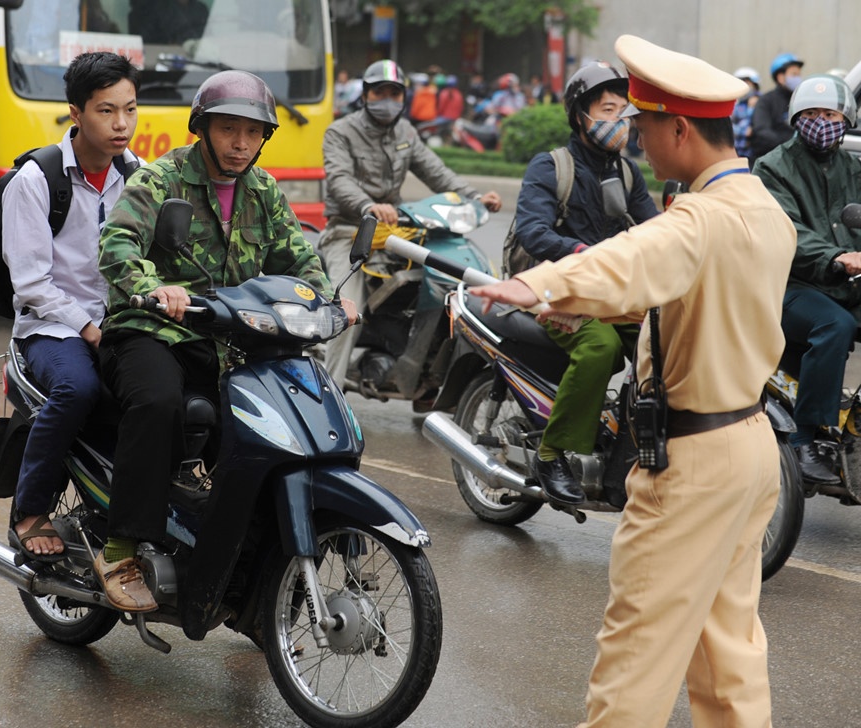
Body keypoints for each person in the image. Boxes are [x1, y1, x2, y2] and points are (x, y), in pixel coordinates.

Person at [469, 34, 795, 727]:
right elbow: (674, 289)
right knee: (727, 653)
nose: (638, 139)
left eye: (645, 124)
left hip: (693, 462)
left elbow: (632, 257)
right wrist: (571, 294)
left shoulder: (698, 219)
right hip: (750, 446)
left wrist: (534, 285)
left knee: (634, 664)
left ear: (680, 128)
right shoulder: (764, 208)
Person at [96, 70, 356, 612]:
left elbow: (299, 258)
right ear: (204, 129)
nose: (240, 143)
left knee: (278, 422)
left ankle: (250, 575)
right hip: (152, 329)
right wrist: (153, 287)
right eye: (229, 130)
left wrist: (329, 301)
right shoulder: (162, 177)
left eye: (252, 132)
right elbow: (117, 241)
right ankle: (119, 547)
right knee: (159, 401)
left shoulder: (262, 190)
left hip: (229, 336)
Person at [2, 52, 141, 561]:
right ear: (76, 113)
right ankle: (30, 509)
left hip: (120, 322)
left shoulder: (139, 176)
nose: (121, 123)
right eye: (106, 111)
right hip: (51, 327)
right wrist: (87, 326)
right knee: (78, 387)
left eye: (129, 108)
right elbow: (32, 283)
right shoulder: (35, 182)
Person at [511, 61, 658, 507]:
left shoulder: (628, 172)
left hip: (613, 291)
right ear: (581, 115)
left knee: (667, 339)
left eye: (623, 112)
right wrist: (580, 253)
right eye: (608, 109)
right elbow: (531, 231)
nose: (619, 121)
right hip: (557, 289)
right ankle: (551, 453)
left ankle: (632, 444)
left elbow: (655, 229)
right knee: (602, 347)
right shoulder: (550, 166)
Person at [318, 59, 501, 391]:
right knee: (346, 310)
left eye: (394, 93)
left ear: (404, 98)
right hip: (349, 232)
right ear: (365, 95)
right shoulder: (340, 132)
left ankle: (427, 375)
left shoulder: (406, 132)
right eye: (379, 92)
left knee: (444, 277)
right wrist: (367, 206)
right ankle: (327, 396)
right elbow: (340, 180)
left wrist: (475, 197)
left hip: (398, 231)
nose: (387, 99)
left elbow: (436, 172)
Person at [754, 74, 861, 486]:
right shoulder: (773, 167)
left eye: (829, 113)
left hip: (843, 284)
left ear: (845, 118)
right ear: (797, 118)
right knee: (836, 325)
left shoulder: (853, 168)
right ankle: (804, 439)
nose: (821, 121)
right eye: (811, 113)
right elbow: (787, 231)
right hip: (788, 286)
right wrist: (837, 256)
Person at [750, 52, 804, 160]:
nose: (798, 78)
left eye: (799, 74)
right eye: (794, 74)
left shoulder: (801, 100)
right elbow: (762, 131)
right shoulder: (766, 101)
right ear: (780, 77)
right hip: (771, 159)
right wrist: (790, 144)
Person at [731, 66, 761, 164]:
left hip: (755, 154)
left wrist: (752, 108)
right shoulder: (735, 103)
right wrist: (743, 131)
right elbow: (729, 126)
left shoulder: (762, 102)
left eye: (747, 82)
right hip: (736, 153)